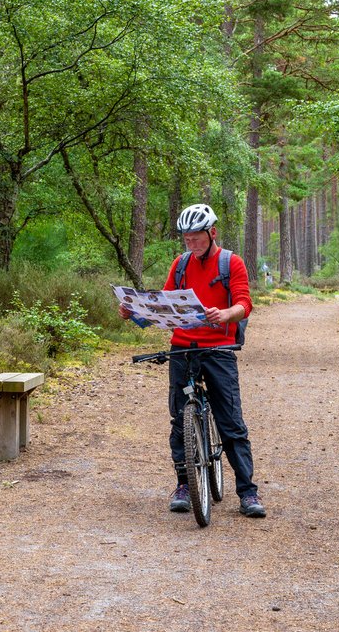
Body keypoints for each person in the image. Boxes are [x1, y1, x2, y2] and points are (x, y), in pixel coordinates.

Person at [118, 203, 266, 519]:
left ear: (212, 233)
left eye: (197, 238)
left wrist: (226, 314)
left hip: (220, 350)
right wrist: (135, 313)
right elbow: (165, 305)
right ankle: (184, 485)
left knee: (231, 422)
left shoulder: (231, 263)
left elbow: (244, 303)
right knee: (178, 420)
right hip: (182, 348)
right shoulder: (181, 265)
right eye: (187, 239)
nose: (192, 244)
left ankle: (248, 492)